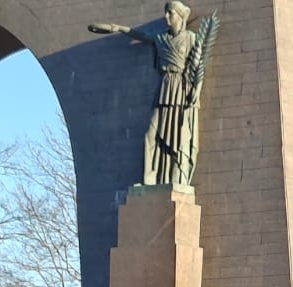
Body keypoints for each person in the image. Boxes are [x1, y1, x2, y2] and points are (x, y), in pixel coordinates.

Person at [89, 3, 217, 188]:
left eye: (170, 13)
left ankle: (175, 177)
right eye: (165, 13)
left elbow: (198, 68)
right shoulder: (161, 38)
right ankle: (149, 179)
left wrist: (196, 91)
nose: (166, 17)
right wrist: (119, 28)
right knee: (151, 134)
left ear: (180, 16)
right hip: (165, 89)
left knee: (179, 135)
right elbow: (141, 35)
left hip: (181, 90)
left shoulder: (190, 38)